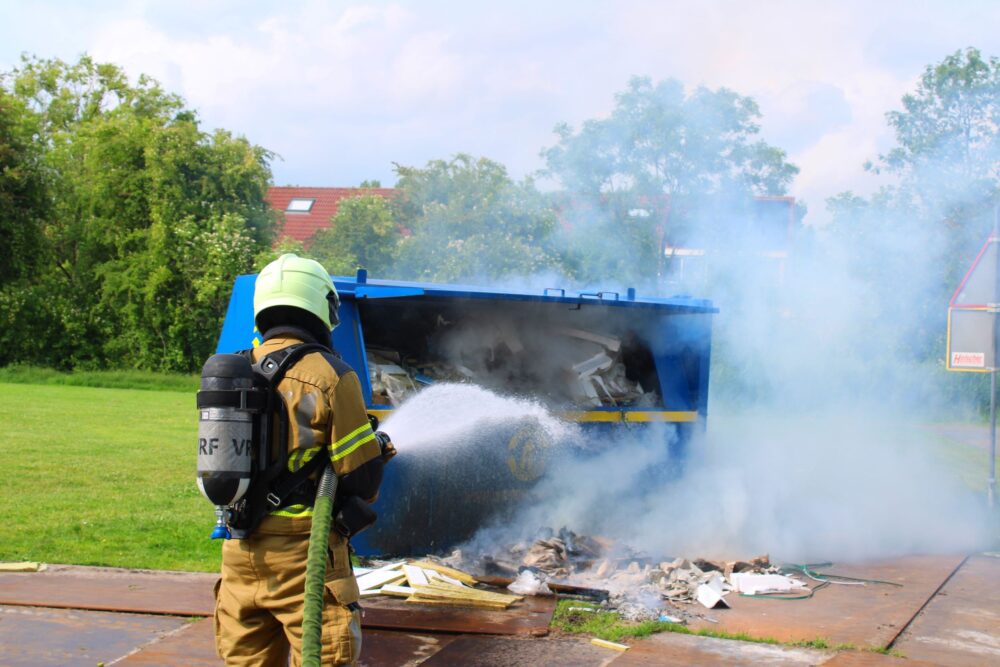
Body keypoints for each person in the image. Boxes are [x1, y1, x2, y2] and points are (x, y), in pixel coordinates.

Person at [214, 253, 392, 666]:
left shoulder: (236, 370)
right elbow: (362, 479)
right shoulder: (330, 374)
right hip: (305, 556)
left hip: (240, 556)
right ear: (321, 306)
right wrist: (379, 446)